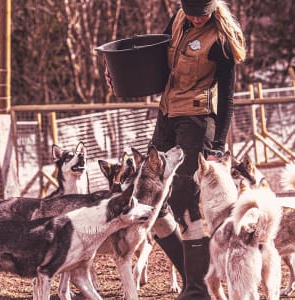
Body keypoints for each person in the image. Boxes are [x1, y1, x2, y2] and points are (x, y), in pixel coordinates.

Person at [106, 0, 245, 299]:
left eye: (202, 14)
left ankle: (198, 287)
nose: (196, 19)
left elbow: (228, 100)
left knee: (185, 199)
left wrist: (217, 147)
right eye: (192, 13)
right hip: (167, 115)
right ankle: (197, 278)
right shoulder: (180, 18)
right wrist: (121, 75)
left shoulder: (221, 42)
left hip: (197, 123)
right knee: (152, 196)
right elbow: (157, 61)